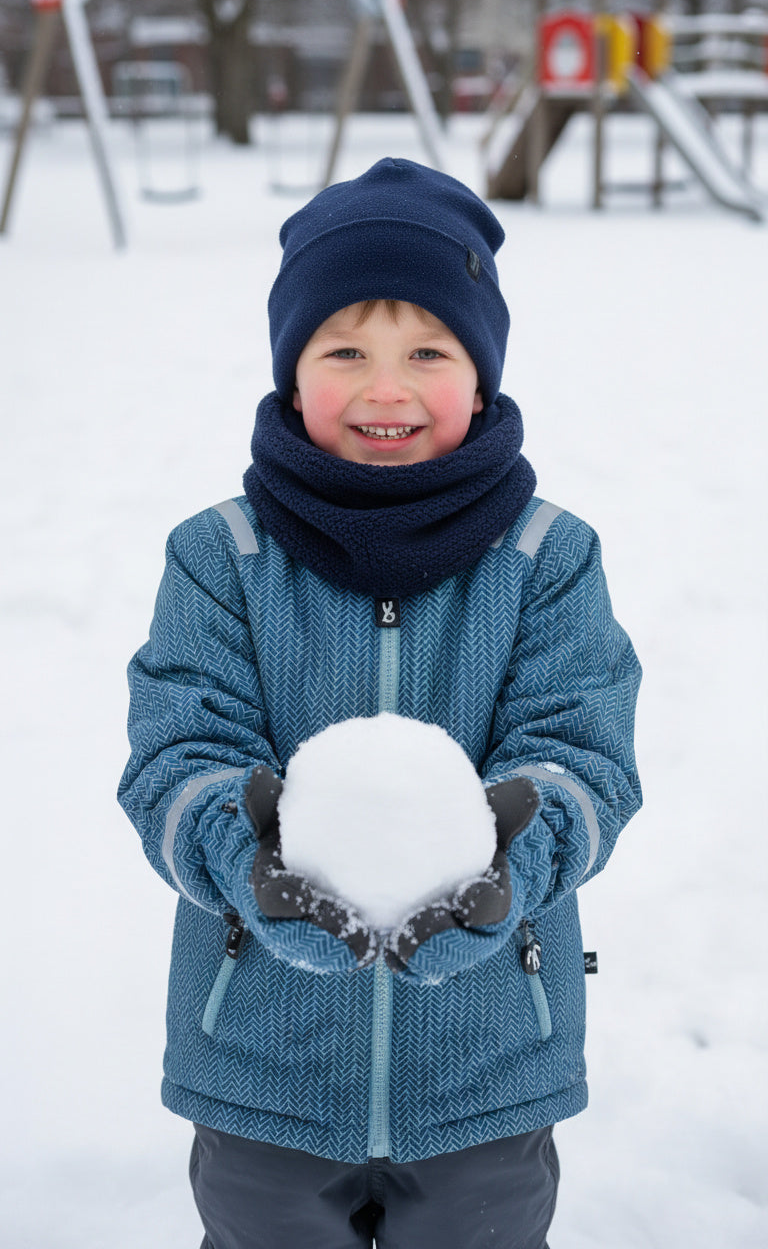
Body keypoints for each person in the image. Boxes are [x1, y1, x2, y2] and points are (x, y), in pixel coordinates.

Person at [118, 158, 642, 1249]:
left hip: (485, 1064)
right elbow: (178, 752)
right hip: (262, 1062)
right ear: (291, 373)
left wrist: (512, 867)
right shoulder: (222, 556)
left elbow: (583, 753)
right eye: (345, 351)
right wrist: (246, 862)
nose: (386, 389)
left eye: (428, 353)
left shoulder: (548, 558)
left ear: (482, 377)